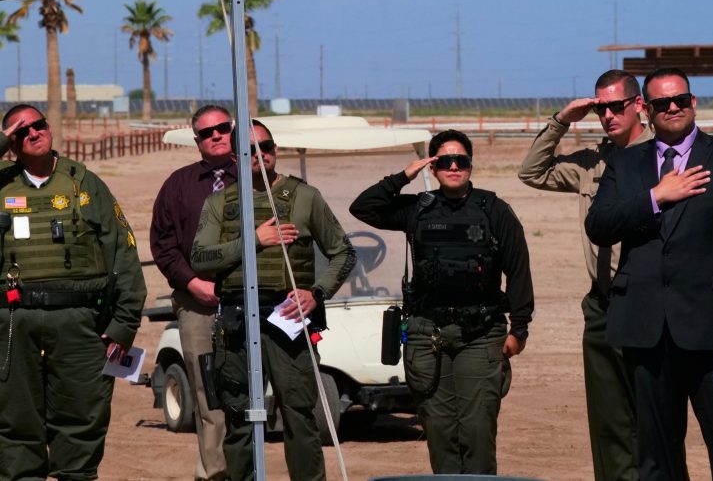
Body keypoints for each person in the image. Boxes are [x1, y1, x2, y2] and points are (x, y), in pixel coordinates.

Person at [585, 69, 713, 481]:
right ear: (646, 110)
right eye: (662, 103)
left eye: (680, 100)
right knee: (655, 456)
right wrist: (654, 198)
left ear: (693, 103)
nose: (673, 107)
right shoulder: (626, 163)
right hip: (647, 333)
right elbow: (598, 224)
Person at [350, 129, 534, 475]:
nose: (453, 166)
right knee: (439, 428)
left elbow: (519, 270)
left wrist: (519, 329)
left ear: (470, 165)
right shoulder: (418, 209)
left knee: (477, 429)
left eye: (460, 160)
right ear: (433, 167)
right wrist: (404, 176)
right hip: (426, 334)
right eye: (444, 161)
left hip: (480, 334)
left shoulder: (495, 211)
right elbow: (363, 207)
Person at [191, 120, 356, 481]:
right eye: (251, 150)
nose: (261, 155)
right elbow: (201, 258)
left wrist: (317, 293)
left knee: (299, 414)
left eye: (267, 146)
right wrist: (253, 240)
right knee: (239, 416)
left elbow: (343, 253)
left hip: (289, 319)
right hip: (237, 322)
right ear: (235, 157)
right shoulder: (220, 203)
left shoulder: (303, 197)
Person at [0, 104, 147, 480]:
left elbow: (124, 253)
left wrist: (124, 324)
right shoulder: (2, 183)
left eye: (39, 125)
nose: (33, 133)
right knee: (14, 426)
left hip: (81, 325)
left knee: (82, 424)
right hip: (13, 324)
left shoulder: (84, 182)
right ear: (11, 143)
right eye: (21, 131)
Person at [518, 69, 650, 481]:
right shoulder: (591, 162)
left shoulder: (662, 157)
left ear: (639, 106)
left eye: (616, 106)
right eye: (600, 108)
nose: (608, 115)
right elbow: (531, 172)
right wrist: (562, 121)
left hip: (648, 301)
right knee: (608, 418)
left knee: (650, 414)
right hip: (603, 303)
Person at [150, 104, 235, 480]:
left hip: (251, 301)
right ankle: (213, 473)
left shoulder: (256, 178)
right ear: (197, 140)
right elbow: (162, 243)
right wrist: (191, 283)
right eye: (206, 132)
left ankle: (249, 468)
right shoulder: (178, 184)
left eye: (222, 128)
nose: (216, 135)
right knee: (206, 393)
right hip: (197, 304)